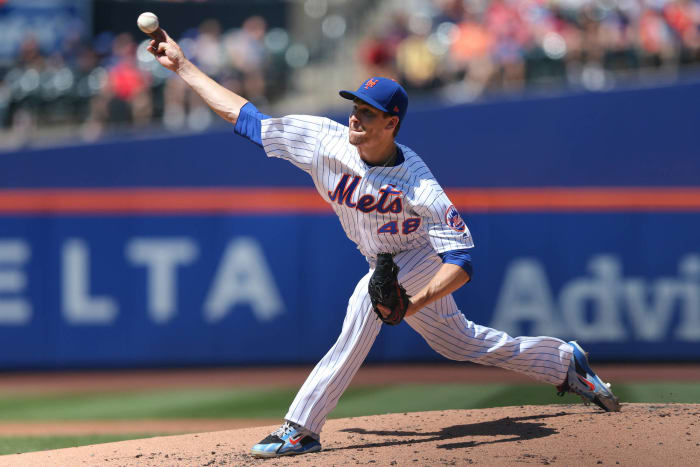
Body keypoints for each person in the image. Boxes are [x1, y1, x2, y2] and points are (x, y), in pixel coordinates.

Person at [147, 29, 620, 459]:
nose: (354, 117)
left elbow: (461, 260)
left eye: (366, 113)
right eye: (354, 107)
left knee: (363, 306)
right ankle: (562, 360)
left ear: (391, 123)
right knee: (459, 342)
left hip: (418, 256)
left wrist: (411, 303)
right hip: (381, 257)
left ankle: (301, 427)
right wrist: (184, 66)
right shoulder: (324, 140)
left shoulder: (418, 184)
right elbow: (247, 118)